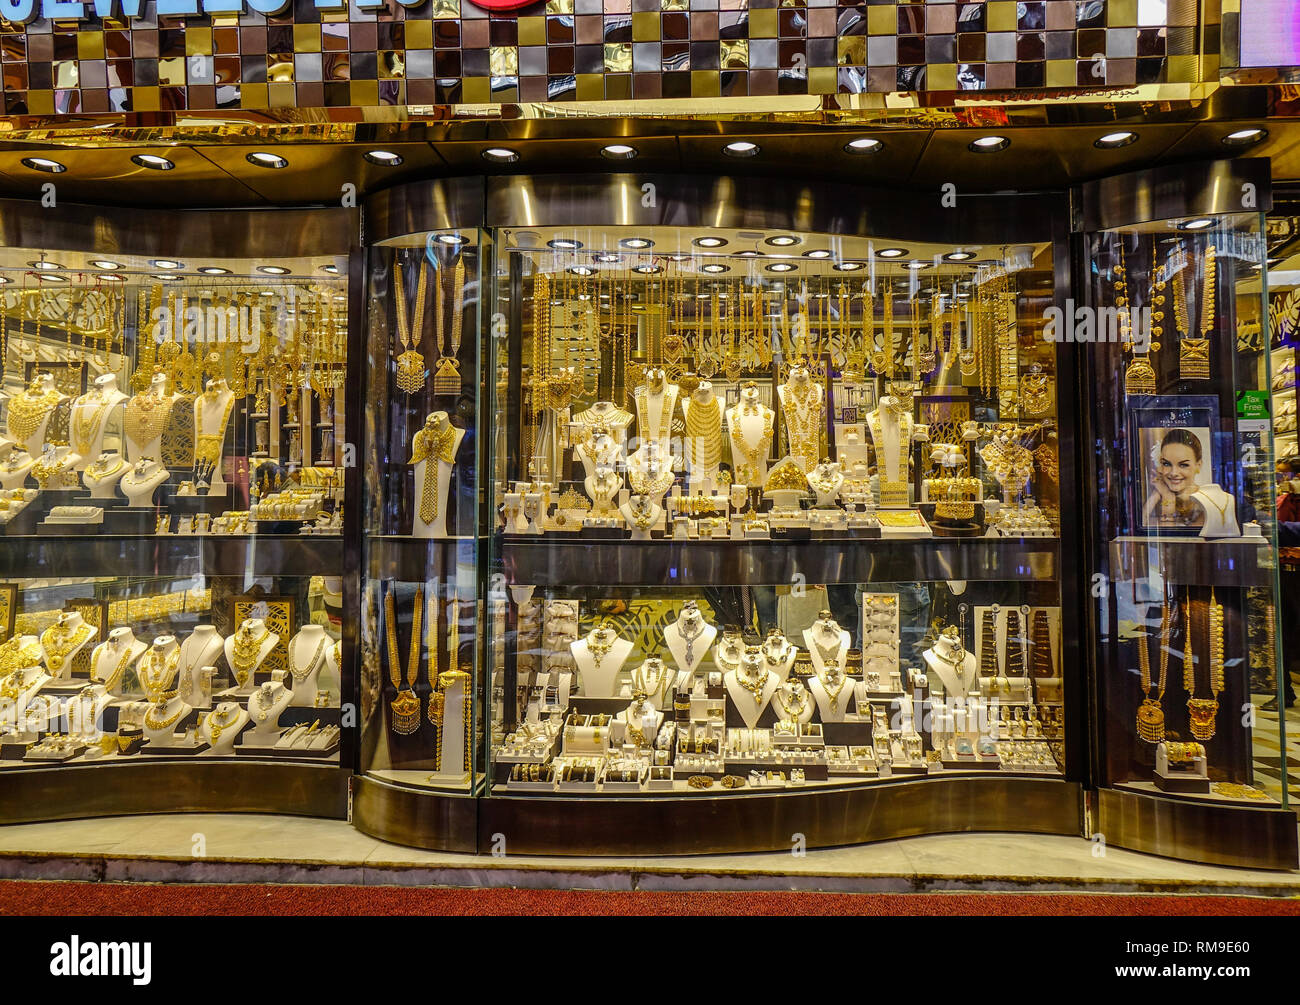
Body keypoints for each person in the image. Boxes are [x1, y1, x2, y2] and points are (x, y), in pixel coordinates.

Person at [1142, 428, 1205, 527]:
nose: (1173, 473)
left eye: (1183, 465)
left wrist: (1167, 496)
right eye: (1167, 464)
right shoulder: (1156, 497)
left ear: (1198, 465)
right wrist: (1157, 495)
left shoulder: (1205, 503)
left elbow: (1172, 540)